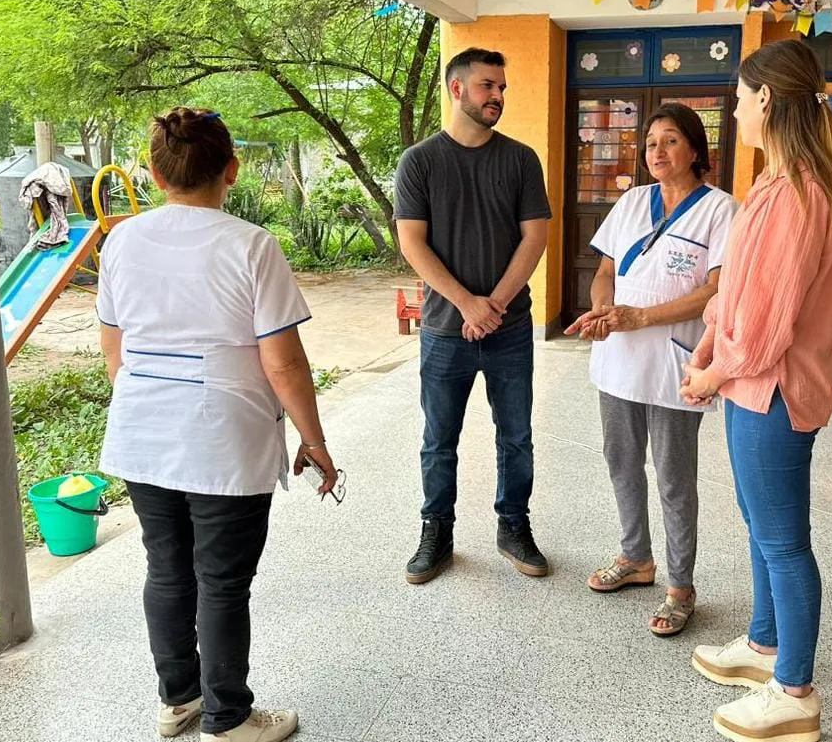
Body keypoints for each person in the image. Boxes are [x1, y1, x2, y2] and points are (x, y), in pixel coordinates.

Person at [97, 107, 339, 742]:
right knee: (223, 582)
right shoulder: (251, 245)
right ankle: (228, 718)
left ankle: (178, 702)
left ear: (154, 174)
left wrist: (152, 398)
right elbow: (283, 361)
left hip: (143, 431)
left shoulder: (121, 240)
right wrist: (314, 442)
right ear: (231, 170)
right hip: (222, 439)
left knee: (167, 569)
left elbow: (114, 351)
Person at [680, 39, 832, 742]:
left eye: (741, 97)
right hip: (752, 387)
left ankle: (795, 691)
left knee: (783, 541)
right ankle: (761, 644)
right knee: (761, 526)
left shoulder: (797, 194)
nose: (735, 109)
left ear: (767, 101)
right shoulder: (780, 186)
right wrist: (708, 342)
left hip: (771, 390)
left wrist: (714, 370)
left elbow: (768, 324)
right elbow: (740, 296)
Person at [565, 104, 736, 636]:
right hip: (618, 361)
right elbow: (606, 271)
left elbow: (715, 289)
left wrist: (640, 316)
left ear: (694, 149)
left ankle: (681, 586)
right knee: (621, 462)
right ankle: (636, 558)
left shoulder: (721, 210)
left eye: (669, 141)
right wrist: (602, 309)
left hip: (676, 363)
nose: (656, 152)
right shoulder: (633, 202)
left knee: (674, 479)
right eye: (650, 142)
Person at [394, 47, 551, 584]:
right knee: (439, 439)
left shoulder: (521, 159)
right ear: (456, 89)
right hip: (444, 330)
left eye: (502, 88)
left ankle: (514, 525)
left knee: (516, 437)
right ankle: (436, 532)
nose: (498, 97)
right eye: (488, 86)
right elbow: (412, 244)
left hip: (509, 329)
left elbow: (536, 237)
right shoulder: (420, 161)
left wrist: (494, 306)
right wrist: (466, 303)